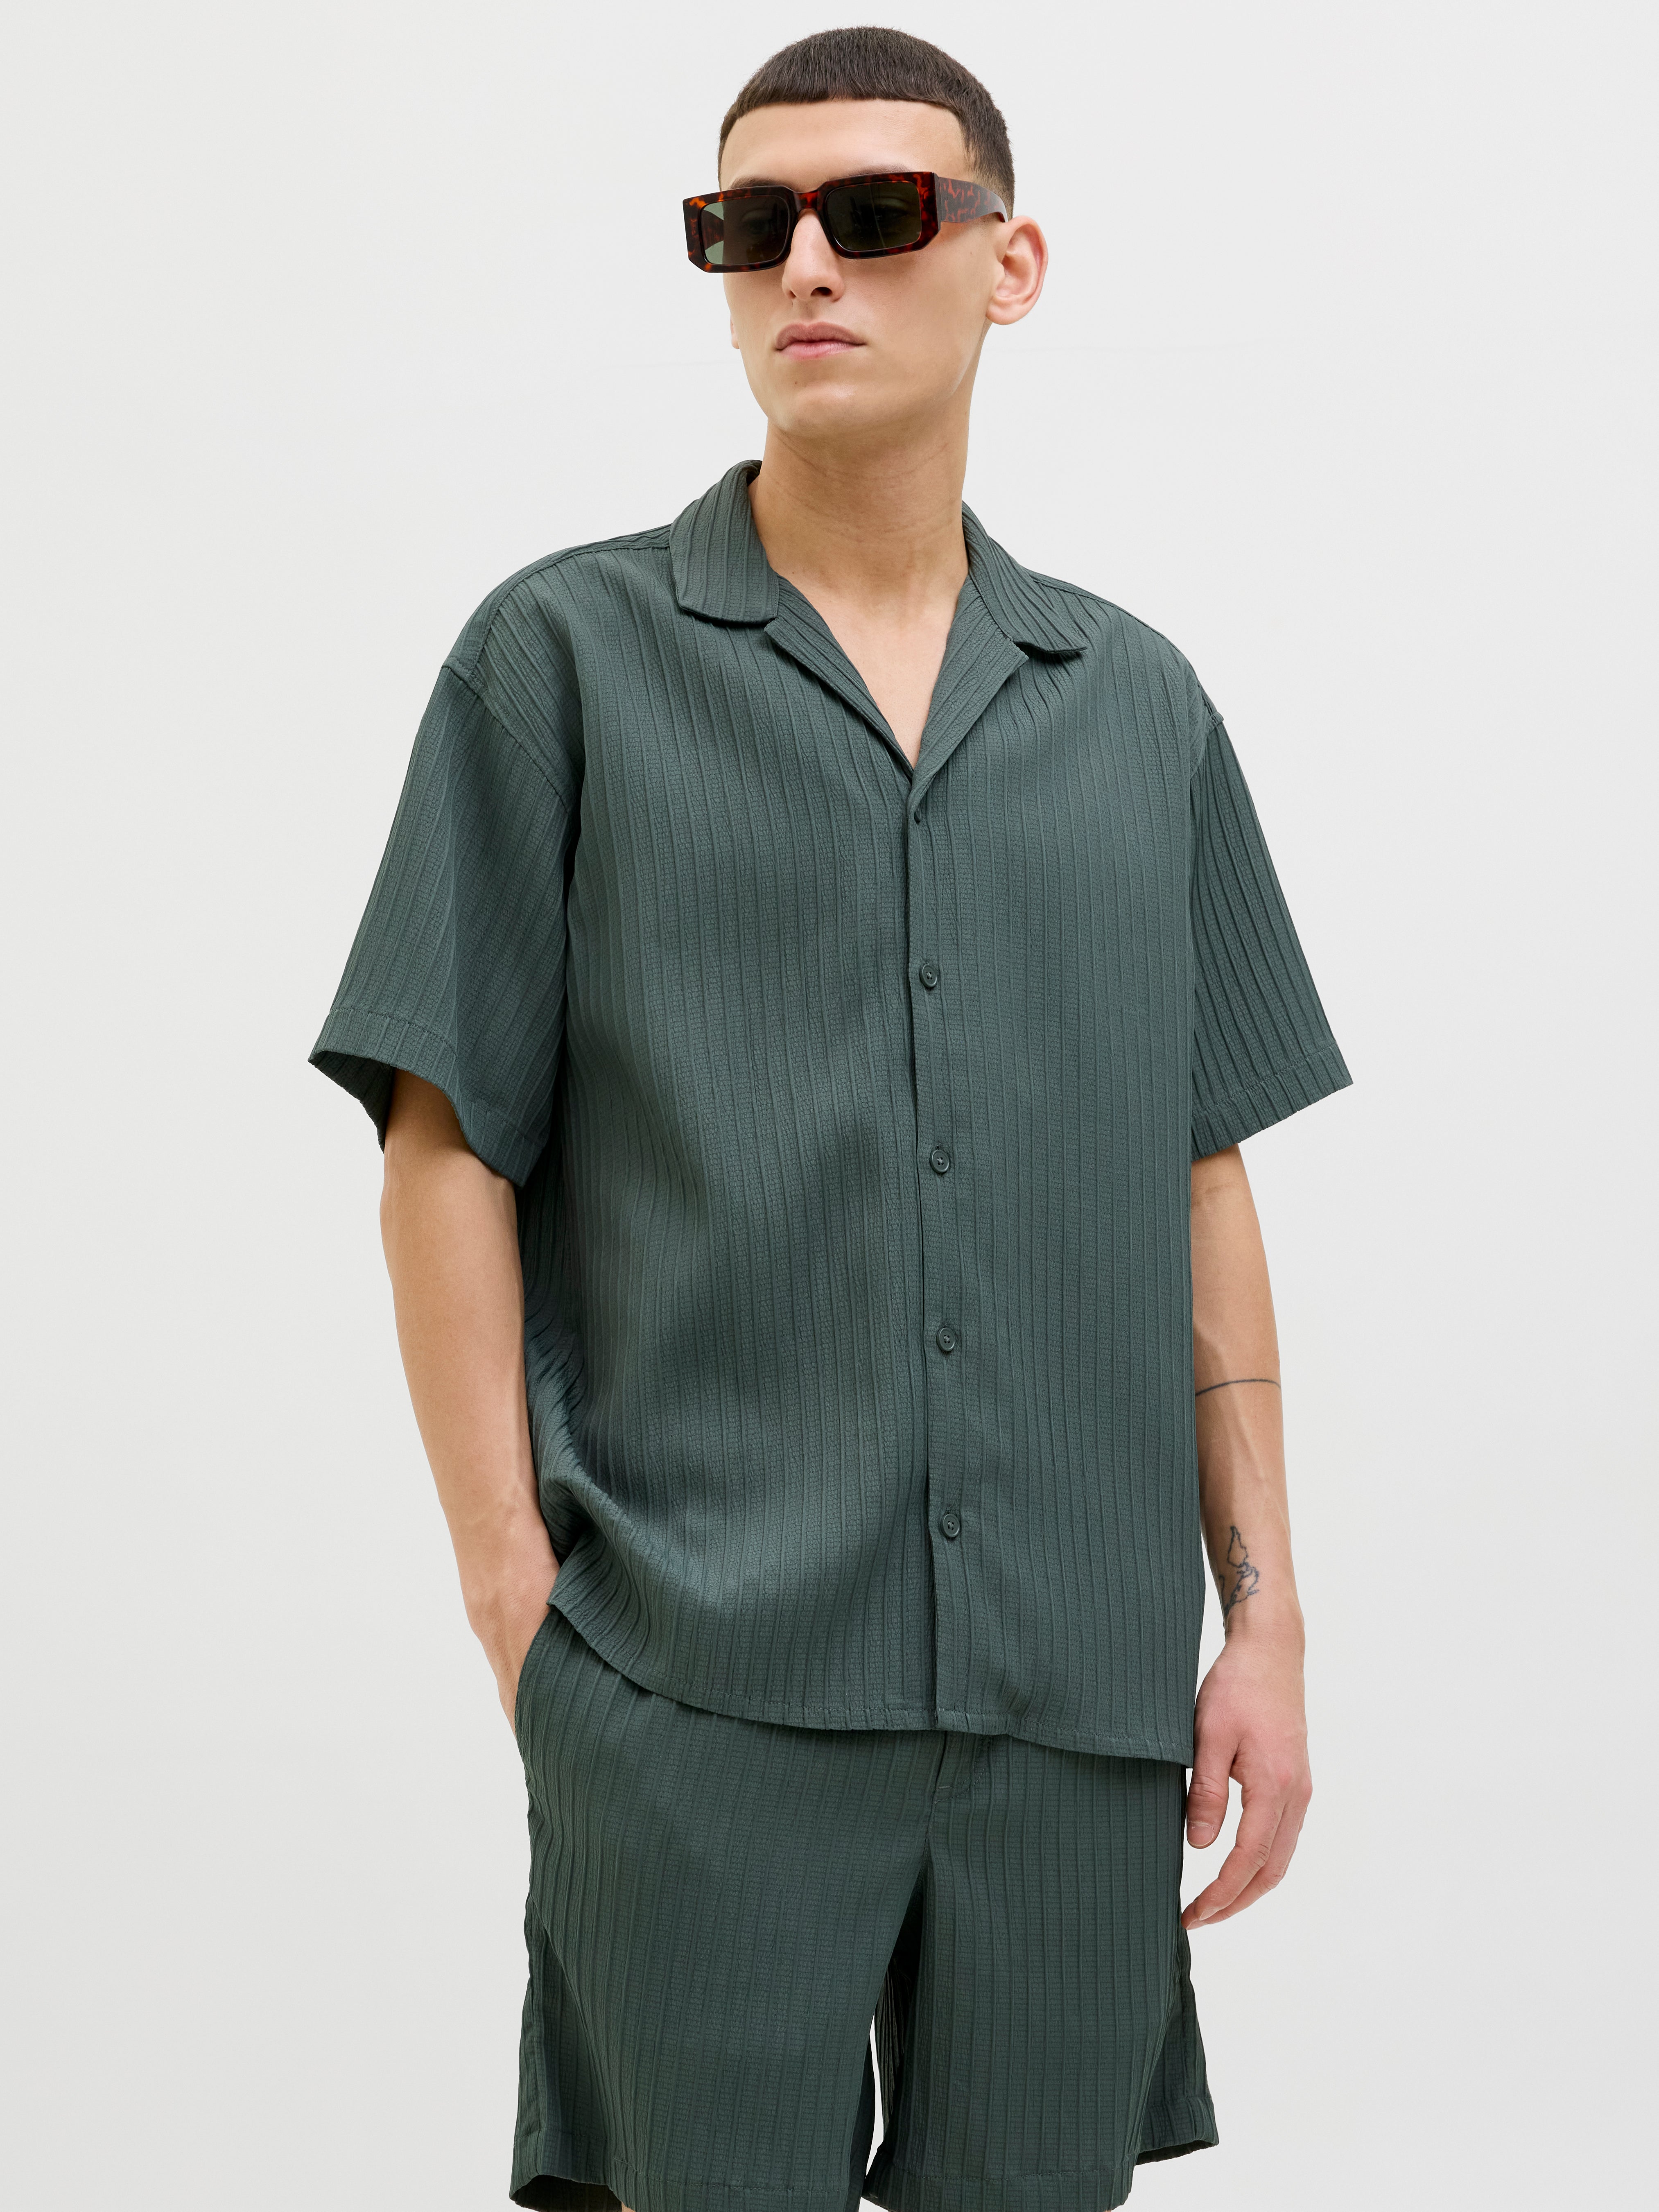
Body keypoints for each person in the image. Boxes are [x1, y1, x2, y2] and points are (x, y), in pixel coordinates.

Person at [310, 26, 1351, 2212]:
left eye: (873, 215)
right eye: (746, 224)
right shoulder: (561, 661)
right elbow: (444, 1144)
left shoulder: (1136, 708)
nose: (804, 266)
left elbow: (1199, 1170)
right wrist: (518, 1606)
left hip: (1077, 1708)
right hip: (695, 1688)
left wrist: (1255, 1613)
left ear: (1008, 262)